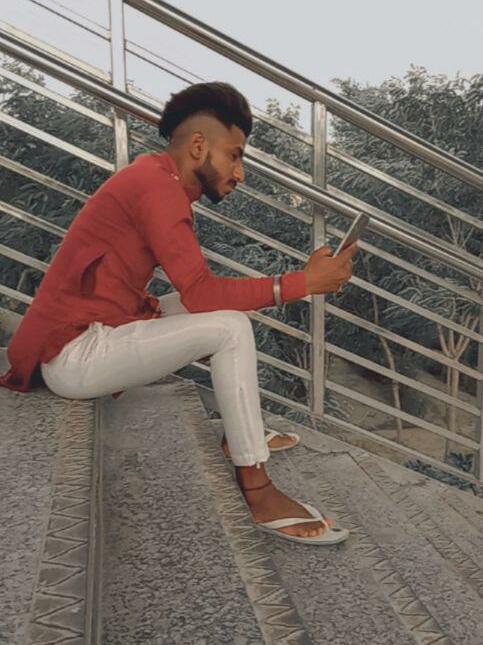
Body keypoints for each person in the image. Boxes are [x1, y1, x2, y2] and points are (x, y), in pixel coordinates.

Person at [0, 82, 358, 544]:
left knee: (232, 315)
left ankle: (240, 433)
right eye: (235, 155)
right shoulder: (157, 189)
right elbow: (203, 293)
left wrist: (298, 282)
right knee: (228, 325)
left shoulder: (154, 177)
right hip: (73, 354)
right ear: (198, 146)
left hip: (101, 326)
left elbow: (198, 294)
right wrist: (303, 283)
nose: (240, 173)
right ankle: (258, 490)